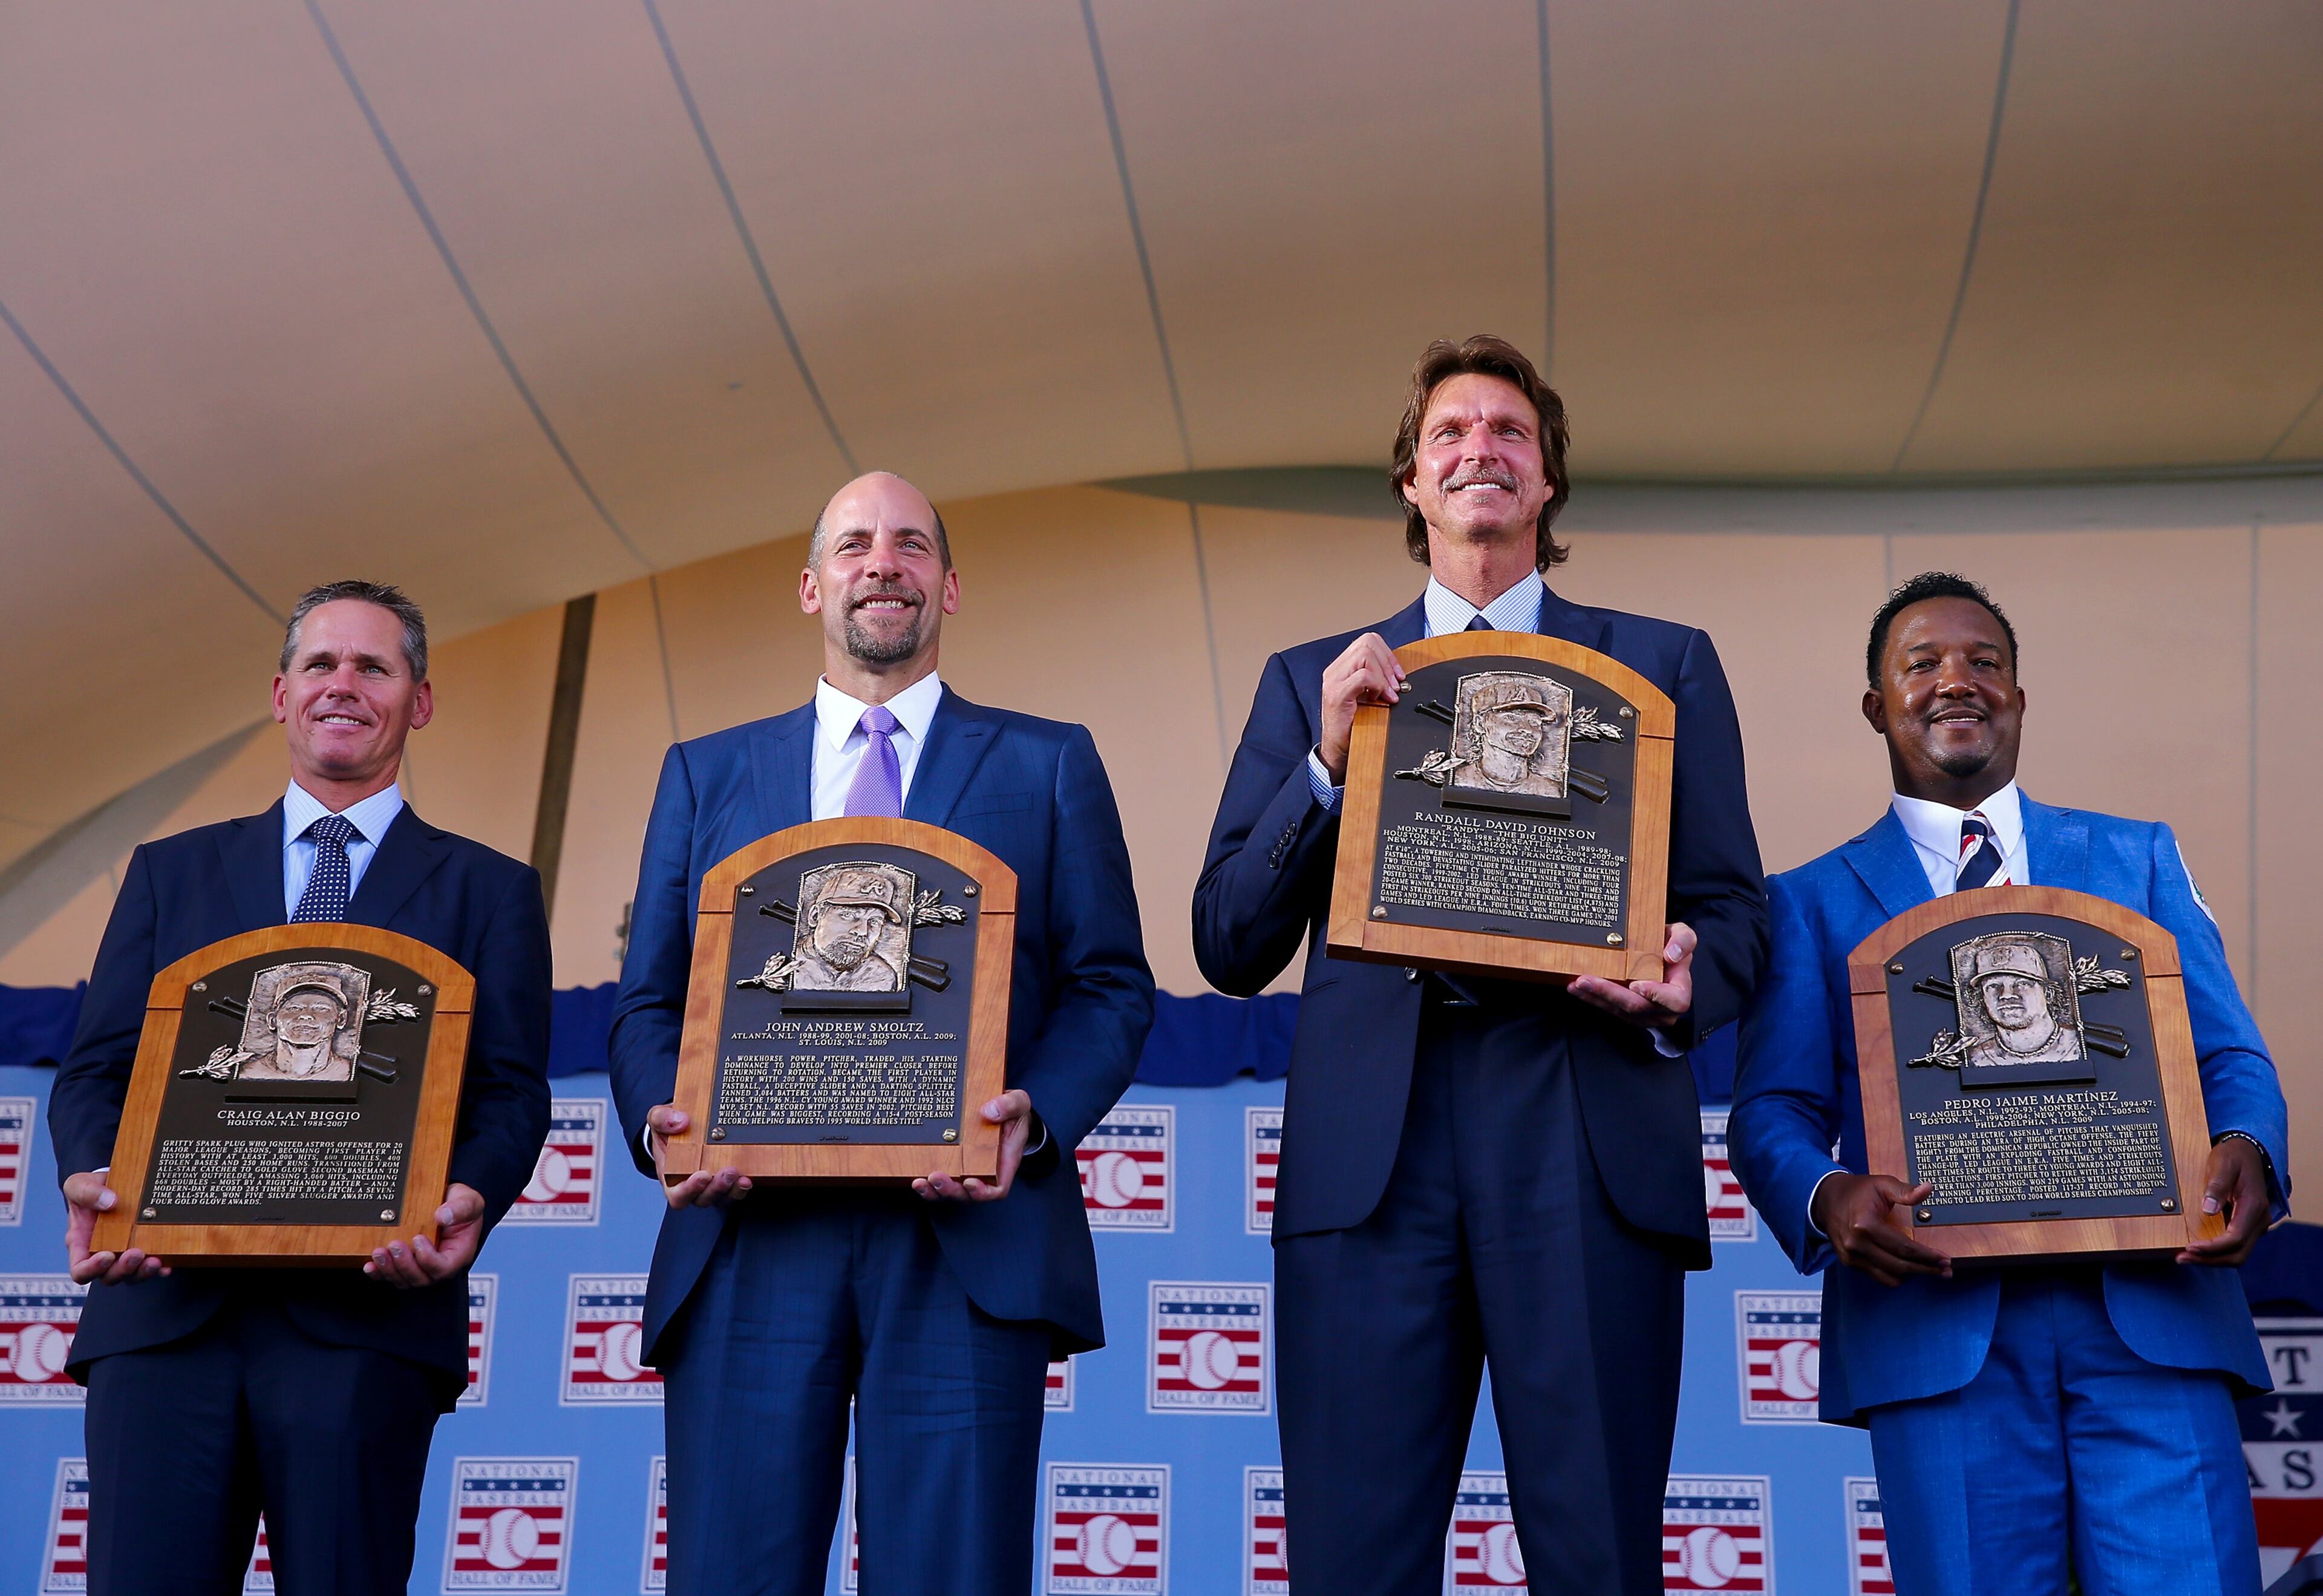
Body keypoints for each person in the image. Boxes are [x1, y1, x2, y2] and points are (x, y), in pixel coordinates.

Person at [1192, 335, 1768, 1596]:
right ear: (1411, 480)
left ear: (1549, 479)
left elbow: (1736, 914)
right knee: (1350, 1564)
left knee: (1600, 1557)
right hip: (1373, 1161)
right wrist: (1327, 766)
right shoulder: (1316, 680)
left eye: (1510, 431)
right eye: (1450, 432)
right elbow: (1228, 941)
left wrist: (1686, 978)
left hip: (1586, 1130)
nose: (1480, 450)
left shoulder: (1663, 665)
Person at [610, 470, 1154, 1595]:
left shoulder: (1049, 761)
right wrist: (665, 1117)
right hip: (752, 1236)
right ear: (812, 586)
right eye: (855, 544)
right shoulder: (706, 772)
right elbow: (650, 1002)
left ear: (949, 584)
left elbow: (1108, 985)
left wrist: (1034, 1117)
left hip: (962, 1245)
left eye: (911, 544)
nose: (883, 563)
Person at [1728, 571, 2285, 1595]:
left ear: (2020, 698)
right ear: (1876, 707)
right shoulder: (1806, 903)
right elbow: (1774, 1109)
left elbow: (2232, 1057)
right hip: (1942, 1334)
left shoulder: (2138, 857)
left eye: (1986, 662)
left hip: (2152, 1317)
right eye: (1923, 663)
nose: (1958, 681)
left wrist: (2249, 1143)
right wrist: (1824, 1192)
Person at [48, 580, 553, 1596]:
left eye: (375, 666)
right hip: (165, 1317)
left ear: (419, 700)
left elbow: (508, 1092)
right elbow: (98, 1069)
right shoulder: (169, 872)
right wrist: (99, 1178)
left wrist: (470, 1196)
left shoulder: (488, 888)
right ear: (280, 694)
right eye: (321, 664)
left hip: (362, 1326)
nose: (343, 685)